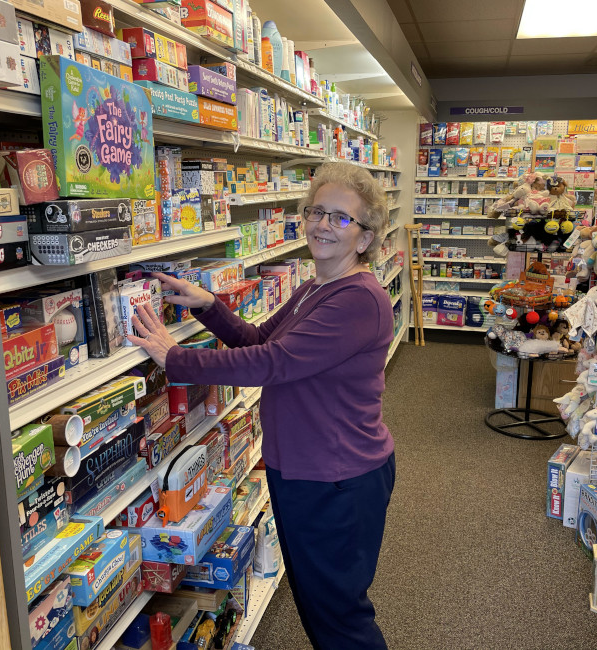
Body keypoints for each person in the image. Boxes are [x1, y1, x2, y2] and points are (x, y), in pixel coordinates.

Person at [128, 161, 396, 649]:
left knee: (340, 617)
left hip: (336, 481)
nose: (321, 224)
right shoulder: (315, 288)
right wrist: (208, 304)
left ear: (365, 237)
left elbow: (270, 362)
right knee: (319, 606)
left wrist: (175, 357)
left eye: (340, 217)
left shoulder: (360, 299)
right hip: (304, 473)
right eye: (316, 211)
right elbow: (255, 337)